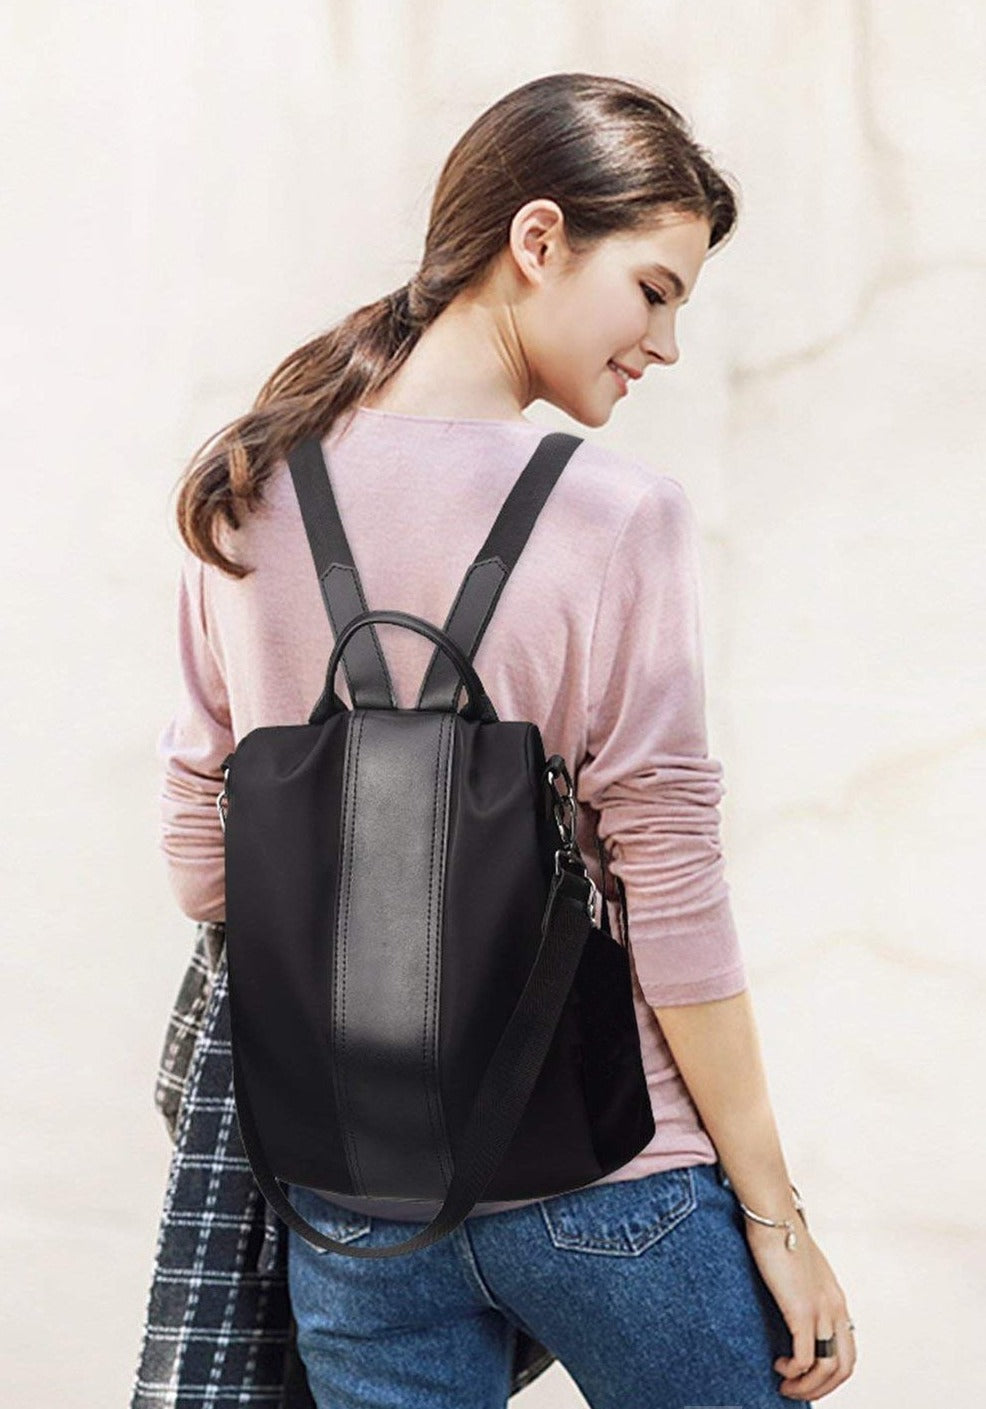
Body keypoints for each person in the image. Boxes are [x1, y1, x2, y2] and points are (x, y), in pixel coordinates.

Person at [150, 71, 856, 1407]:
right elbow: (673, 888)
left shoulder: (245, 486)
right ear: (538, 239)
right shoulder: (615, 515)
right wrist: (775, 1214)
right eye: (654, 290)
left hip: (350, 1198)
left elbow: (202, 862)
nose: (663, 343)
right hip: (605, 1177)